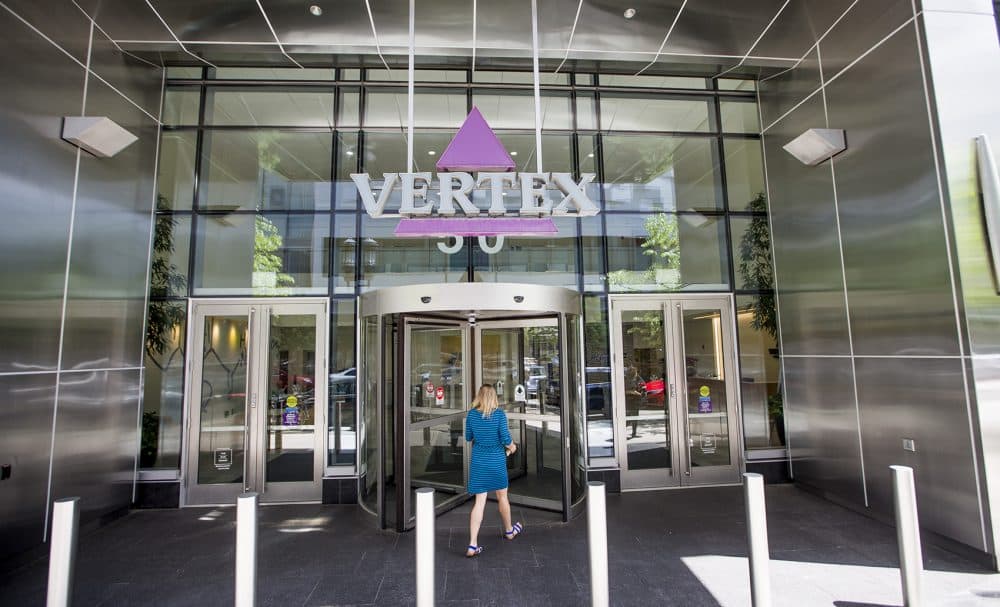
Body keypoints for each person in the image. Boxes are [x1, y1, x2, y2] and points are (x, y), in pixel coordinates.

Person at [464, 384, 521, 557]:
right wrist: (512, 447)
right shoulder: (499, 415)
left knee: (479, 502)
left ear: (479, 397)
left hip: (479, 461)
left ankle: (472, 544)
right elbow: (505, 438)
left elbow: (468, 437)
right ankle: (510, 531)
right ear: (494, 397)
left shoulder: (472, 414)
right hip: (496, 460)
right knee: (502, 496)